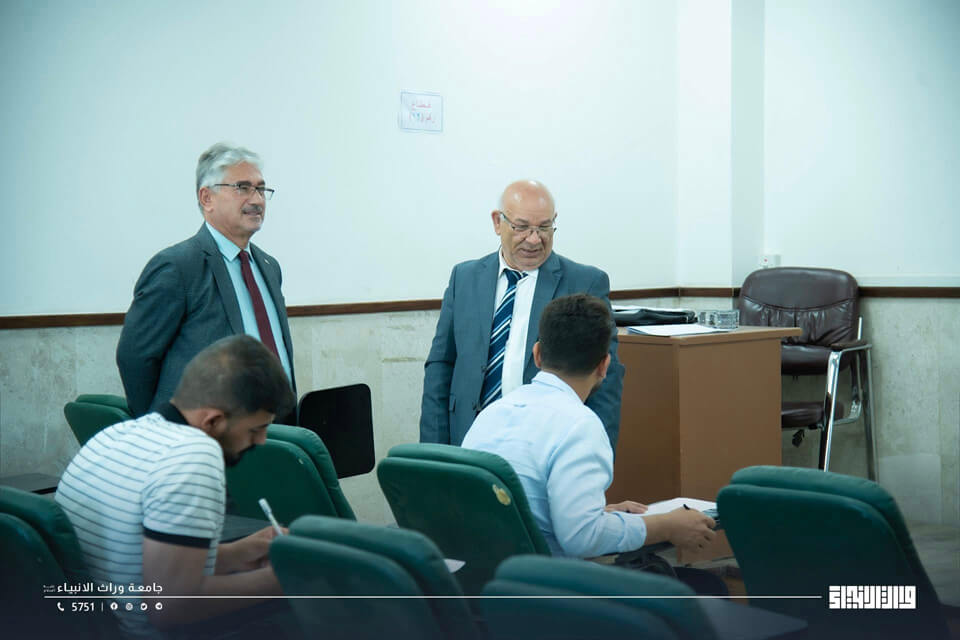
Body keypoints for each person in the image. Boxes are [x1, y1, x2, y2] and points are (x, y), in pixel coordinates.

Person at [56, 335, 296, 638]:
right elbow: (173, 607)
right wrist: (285, 580)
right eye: (256, 429)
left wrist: (240, 552)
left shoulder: (114, 435)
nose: (260, 441)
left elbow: (139, 565)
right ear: (213, 421)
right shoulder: (193, 454)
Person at [462, 294, 716, 559]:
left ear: (537, 354)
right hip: (540, 578)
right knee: (704, 581)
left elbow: (524, 508)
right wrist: (667, 526)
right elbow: (582, 539)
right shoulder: (580, 426)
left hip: (478, 572)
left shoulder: (492, 413)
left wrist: (597, 514)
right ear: (604, 366)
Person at [420, 179, 624, 448]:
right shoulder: (465, 278)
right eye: (522, 227)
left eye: (544, 227)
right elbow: (441, 366)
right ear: (497, 222)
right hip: (467, 439)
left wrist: (596, 450)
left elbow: (605, 377)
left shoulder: (584, 283)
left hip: (545, 444)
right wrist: (433, 451)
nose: (534, 239)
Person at [117, 143, 295, 418]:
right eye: (242, 188)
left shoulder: (270, 267)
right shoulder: (177, 266)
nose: (257, 200)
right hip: (205, 435)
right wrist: (160, 425)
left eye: (261, 189)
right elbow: (135, 357)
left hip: (276, 429)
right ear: (207, 197)